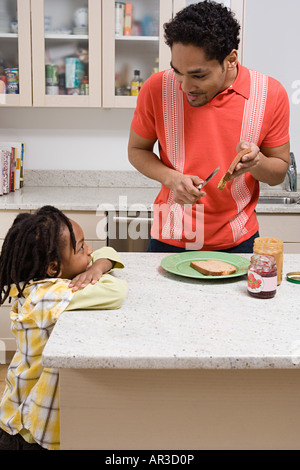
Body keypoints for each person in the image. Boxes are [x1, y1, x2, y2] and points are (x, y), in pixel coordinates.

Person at [128, 0, 290, 253]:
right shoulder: (156, 88)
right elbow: (137, 150)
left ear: (230, 59)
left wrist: (257, 163)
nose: (184, 86)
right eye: (178, 71)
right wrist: (172, 179)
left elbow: (279, 171)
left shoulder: (270, 94)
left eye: (198, 75)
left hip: (240, 239)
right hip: (170, 237)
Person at [0, 205, 128, 450]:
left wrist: (94, 266)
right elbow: (115, 291)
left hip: (22, 409)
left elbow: (107, 251)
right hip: (27, 426)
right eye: (81, 248)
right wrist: (98, 268)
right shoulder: (47, 297)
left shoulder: (38, 283)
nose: (90, 250)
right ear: (53, 268)